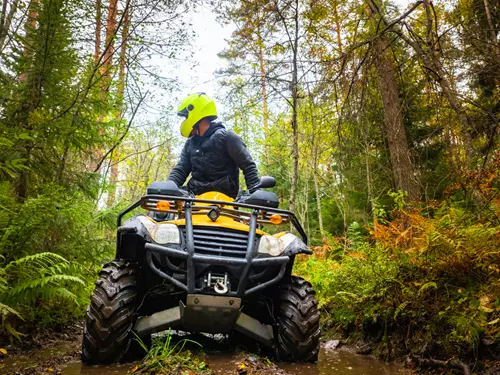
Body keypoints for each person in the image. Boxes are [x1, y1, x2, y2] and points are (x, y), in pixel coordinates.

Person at [167, 92, 260, 198]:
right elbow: (181, 169)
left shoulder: (227, 137)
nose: (185, 121)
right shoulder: (190, 143)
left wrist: (255, 192)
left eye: (186, 117)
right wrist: (168, 186)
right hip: (194, 199)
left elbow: (248, 166)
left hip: (225, 200)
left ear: (194, 112)